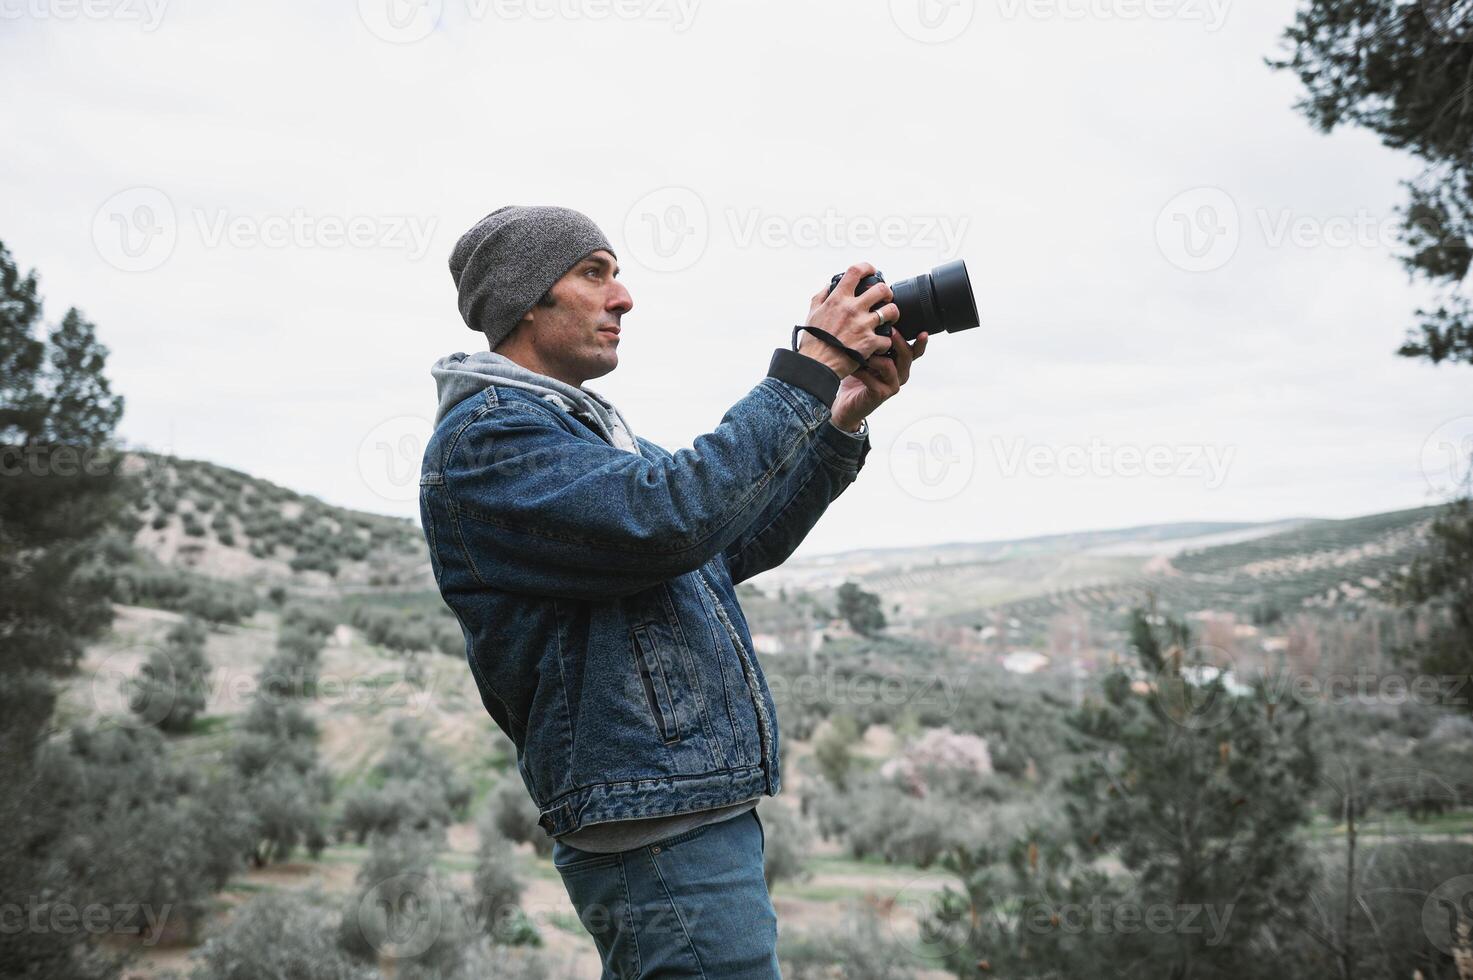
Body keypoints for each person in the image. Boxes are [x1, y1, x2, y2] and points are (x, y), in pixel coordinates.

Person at [419, 204, 927, 978]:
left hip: (682, 814)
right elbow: (672, 516)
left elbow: (727, 540)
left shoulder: (580, 433)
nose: (623, 298)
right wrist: (810, 364)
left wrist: (839, 423)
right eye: (594, 272)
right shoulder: (489, 444)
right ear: (526, 300)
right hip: (655, 830)